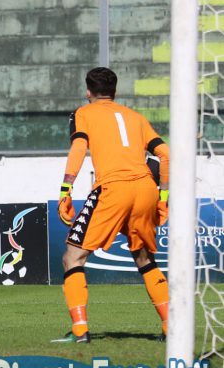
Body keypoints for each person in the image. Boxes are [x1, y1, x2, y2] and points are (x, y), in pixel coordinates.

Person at [53, 67, 170, 343]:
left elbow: (79, 148)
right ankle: (171, 327)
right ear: (115, 92)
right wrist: (163, 198)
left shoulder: (83, 113)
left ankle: (80, 331)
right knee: (144, 258)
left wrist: (66, 189)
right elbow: (165, 154)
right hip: (145, 188)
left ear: (88, 91)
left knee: (73, 257)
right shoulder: (136, 117)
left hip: (113, 188)